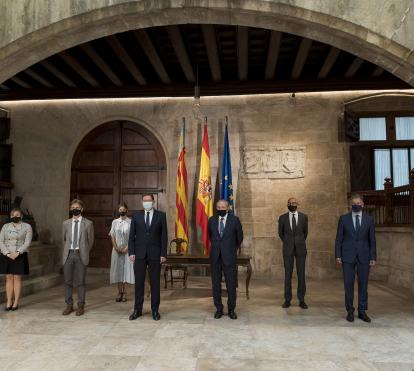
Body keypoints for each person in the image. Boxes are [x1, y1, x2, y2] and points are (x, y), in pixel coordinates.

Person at [335, 193, 376, 323]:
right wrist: (338, 254)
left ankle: (362, 311)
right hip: (347, 256)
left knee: (363, 285)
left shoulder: (369, 220)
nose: (356, 205)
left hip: (364, 256)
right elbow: (339, 239)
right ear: (350, 205)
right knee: (348, 284)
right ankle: (350, 311)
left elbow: (372, 240)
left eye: (358, 203)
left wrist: (373, 256)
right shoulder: (343, 219)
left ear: (362, 204)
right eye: (354, 203)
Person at [128, 194, 167, 321]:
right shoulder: (136, 216)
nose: (147, 202)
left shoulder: (161, 215)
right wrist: (131, 252)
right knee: (139, 283)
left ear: (153, 201)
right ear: (142, 202)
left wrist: (163, 254)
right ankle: (137, 310)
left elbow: (164, 237)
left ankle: (155, 310)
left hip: (155, 254)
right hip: (139, 254)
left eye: (149, 200)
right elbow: (131, 236)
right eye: (144, 201)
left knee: (155, 283)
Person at [208, 200, 243, 320]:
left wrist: (231, 249)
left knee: (231, 284)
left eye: (223, 207)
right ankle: (219, 309)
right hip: (215, 257)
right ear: (216, 208)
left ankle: (231, 309)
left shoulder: (235, 220)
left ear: (228, 208)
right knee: (216, 284)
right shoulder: (211, 220)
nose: (221, 209)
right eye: (218, 207)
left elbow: (239, 238)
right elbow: (210, 236)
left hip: (229, 257)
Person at [61, 199, 94, 316]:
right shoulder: (65, 223)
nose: (75, 209)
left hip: (81, 255)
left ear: (81, 209)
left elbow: (90, 241)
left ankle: (80, 306)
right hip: (68, 254)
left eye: (77, 207)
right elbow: (64, 240)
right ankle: (69, 305)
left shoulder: (88, 223)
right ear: (70, 209)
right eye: (73, 207)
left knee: (81, 282)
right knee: (68, 282)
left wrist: (84, 251)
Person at [278, 197, 309, 309]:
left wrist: (298, 241)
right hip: (287, 248)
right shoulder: (282, 218)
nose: (292, 204)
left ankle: (301, 299)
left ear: (298, 204)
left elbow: (305, 233)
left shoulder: (304, 217)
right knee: (288, 275)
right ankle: (287, 299)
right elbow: (280, 233)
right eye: (290, 203)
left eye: (294, 203)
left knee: (301, 274)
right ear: (287, 204)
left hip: (301, 248)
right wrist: (288, 242)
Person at [0, 208, 32, 311]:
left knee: (17, 278)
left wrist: (17, 252)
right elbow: (0, 241)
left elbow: (27, 242)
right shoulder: (5, 226)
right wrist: (7, 253)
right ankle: (9, 301)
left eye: (17, 214)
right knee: (8, 278)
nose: (15, 216)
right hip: (7, 254)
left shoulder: (27, 226)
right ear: (10, 217)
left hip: (20, 254)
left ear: (21, 216)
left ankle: (16, 302)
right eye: (13, 215)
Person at [109, 203, 134, 302]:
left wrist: (127, 248)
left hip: (127, 250)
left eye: (123, 210)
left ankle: (125, 293)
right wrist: (115, 247)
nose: (122, 211)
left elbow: (133, 237)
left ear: (127, 211)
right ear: (118, 211)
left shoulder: (131, 222)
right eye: (120, 210)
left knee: (126, 270)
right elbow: (112, 235)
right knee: (118, 270)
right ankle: (119, 292)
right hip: (116, 250)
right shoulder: (114, 222)